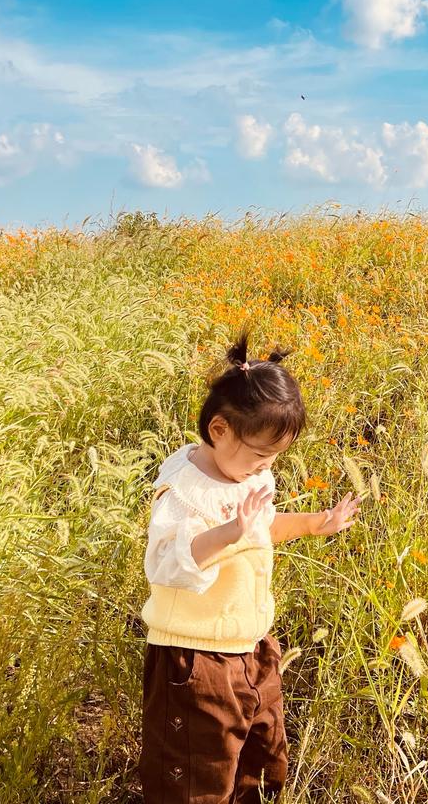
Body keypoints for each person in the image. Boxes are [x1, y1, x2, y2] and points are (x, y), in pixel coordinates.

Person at [139, 329, 362, 802]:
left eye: (275, 458)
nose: (266, 468)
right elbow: (165, 563)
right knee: (199, 774)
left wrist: (315, 522)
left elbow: (260, 527)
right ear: (219, 430)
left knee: (256, 762)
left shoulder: (244, 473)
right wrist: (227, 533)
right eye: (261, 455)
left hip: (253, 646)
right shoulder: (182, 491)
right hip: (195, 659)